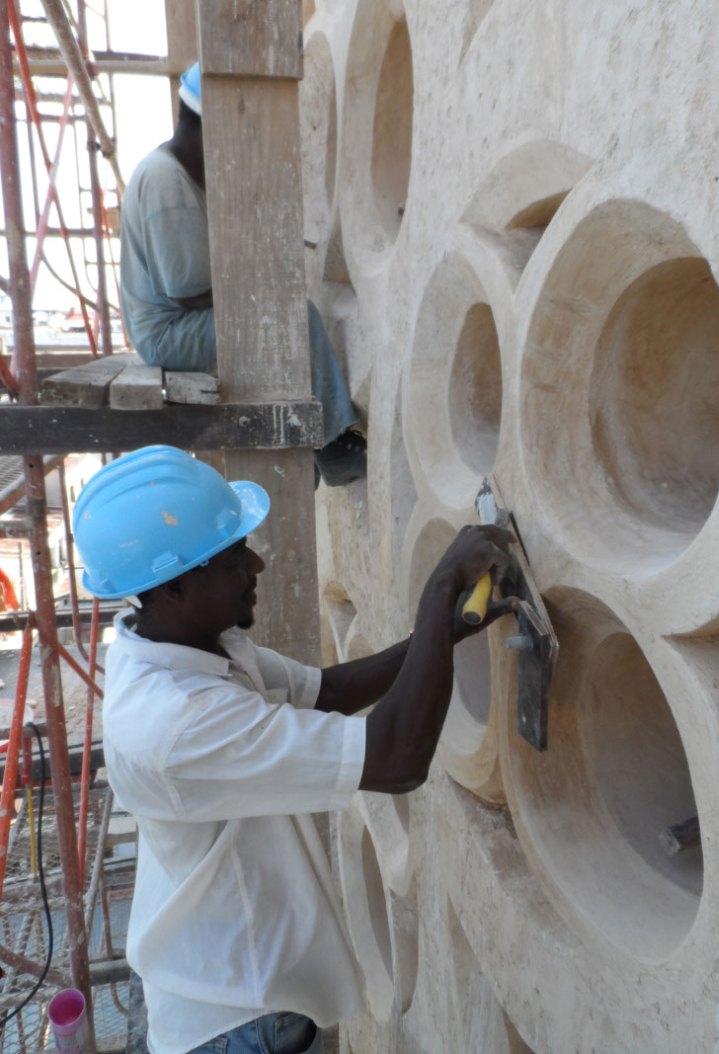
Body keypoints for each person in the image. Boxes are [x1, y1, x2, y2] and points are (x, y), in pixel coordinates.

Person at [73, 445, 515, 1054]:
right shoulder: (178, 724)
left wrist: (449, 631)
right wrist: (440, 592)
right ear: (173, 586)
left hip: (229, 987)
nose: (255, 563)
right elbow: (396, 760)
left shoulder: (188, 643)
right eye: (232, 558)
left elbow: (326, 691)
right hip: (234, 1017)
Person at [119, 62, 365, 488]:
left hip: (173, 321)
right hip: (167, 332)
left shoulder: (178, 170)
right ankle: (333, 447)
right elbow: (186, 290)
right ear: (211, 126)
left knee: (272, 319)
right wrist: (263, 285)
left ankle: (300, 442)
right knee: (292, 321)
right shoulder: (166, 182)